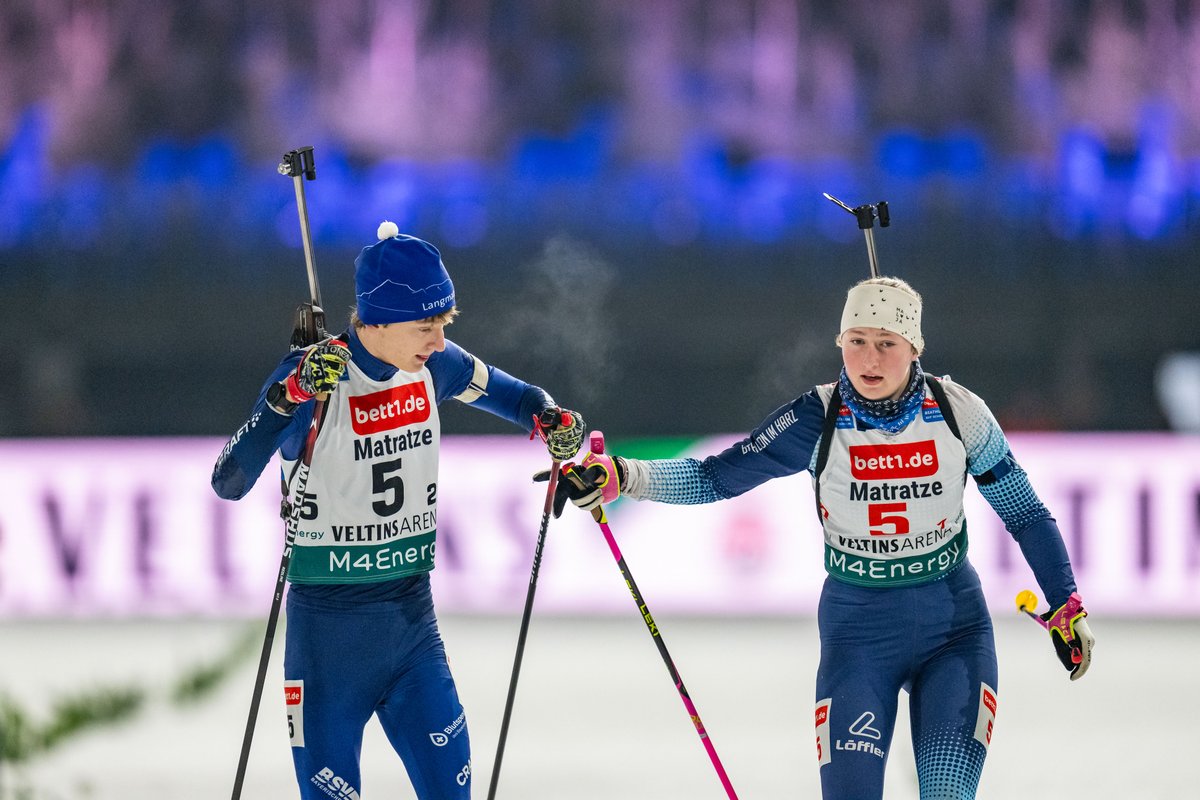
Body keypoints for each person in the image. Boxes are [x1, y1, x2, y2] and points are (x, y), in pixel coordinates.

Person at [544, 276, 1094, 799]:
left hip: (953, 631)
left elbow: (1024, 513)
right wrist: (623, 475)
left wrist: (1065, 601)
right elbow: (717, 476)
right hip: (858, 637)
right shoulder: (816, 418)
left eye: (887, 343)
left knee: (947, 792)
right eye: (856, 341)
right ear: (840, 341)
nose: (870, 359)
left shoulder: (959, 412)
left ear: (915, 348)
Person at [211, 221, 584, 800]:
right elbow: (229, 480)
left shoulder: (433, 365)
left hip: (412, 629)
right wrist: (289, 397)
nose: (439, 342)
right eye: (425, 326)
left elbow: (518, 398)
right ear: (377, 321)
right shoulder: (315, 377)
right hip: (326, 642)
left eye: (444, 325)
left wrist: (552, 417)